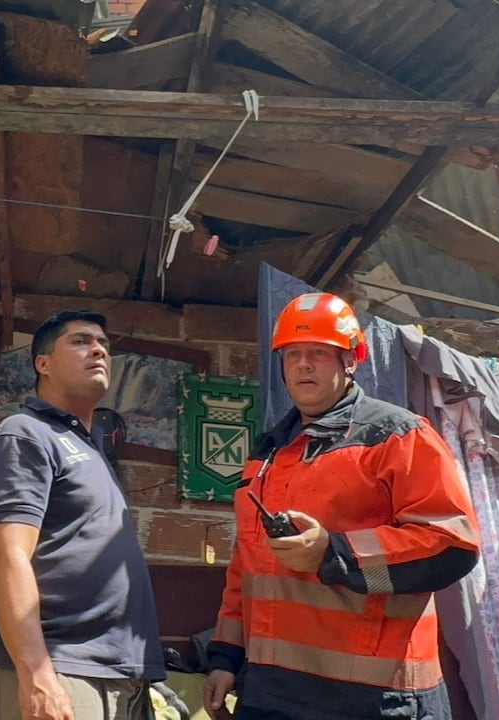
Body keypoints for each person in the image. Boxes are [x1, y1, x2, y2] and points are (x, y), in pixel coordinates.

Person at [203, 293, 480, 720]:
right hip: (269, 693)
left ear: (351, 360)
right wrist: (226, 657)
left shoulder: (398, 436)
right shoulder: (267, 454)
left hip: (374, 699)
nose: (303, 365)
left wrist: (334, 554)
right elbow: (247, 563)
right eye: (292, 354)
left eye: (318, 353)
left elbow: (451, 543)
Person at [0, 310, 165, 720]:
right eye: (80, 341)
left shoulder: (90, 448)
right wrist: (36, 674)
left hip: (119, 675)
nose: (98, 350)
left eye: (103, 345)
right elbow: (7, 555)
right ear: (42, 363)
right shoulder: (25, 433)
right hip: (61, 668)